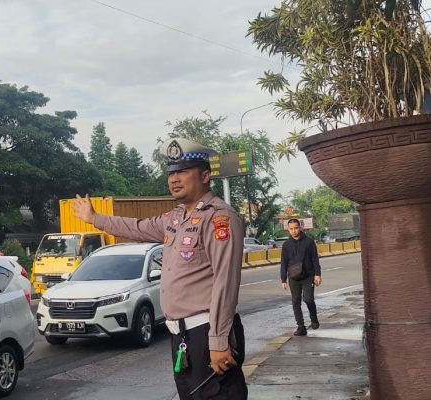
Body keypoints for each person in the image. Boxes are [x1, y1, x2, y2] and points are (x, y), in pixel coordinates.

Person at [72, 138, 247, 399]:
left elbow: (226, 281)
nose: (174, 179)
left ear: (205, 176)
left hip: (206, 333)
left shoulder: (219, 217)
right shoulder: (176, 218)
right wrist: (95, 218)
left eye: (183, 172)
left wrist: (219, 340)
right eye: (171, 173)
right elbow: (136, 227)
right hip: (181, 336)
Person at [280, 218, 322, 336]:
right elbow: (283, 262)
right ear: (288, 230)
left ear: (300, 228)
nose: (294, 231)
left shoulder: (309, 241)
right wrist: (283, 279)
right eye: (291, 229)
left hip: (308, 276)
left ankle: (314, 319)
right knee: (296, 302)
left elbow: (315, 258)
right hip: (293, 277)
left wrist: (317, 274)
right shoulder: (286, 245)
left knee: (308, 299)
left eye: (296, 228)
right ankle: (301, 327)